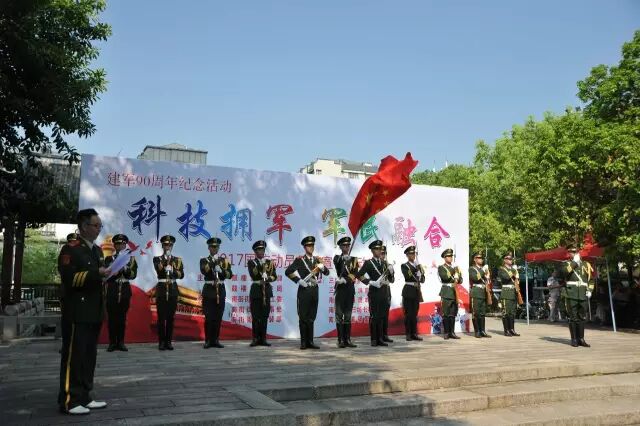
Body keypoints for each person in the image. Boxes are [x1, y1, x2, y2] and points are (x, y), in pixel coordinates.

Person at [57, 209, 108, 415]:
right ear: (84, 227)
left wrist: (107, 273)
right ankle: (69, 400)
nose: (98, 229)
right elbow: (69, 278)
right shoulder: (71, 249)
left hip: (94, 310)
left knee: (89, 356)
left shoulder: (97, 251)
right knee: (74, 356)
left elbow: (98, 277)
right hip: (77, 311)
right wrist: (96, 273)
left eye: (100, 226)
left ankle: (85, 396)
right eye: (96, 225)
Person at [285, 236, 329, 350]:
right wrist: (298, 280)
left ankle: (310, 341)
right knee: (303, 316)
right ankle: (304, 342)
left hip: (314, 290)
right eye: (308, 246)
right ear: (304, 247)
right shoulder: (300, 260)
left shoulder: (317, 260)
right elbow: (288, 271)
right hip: (304, 290)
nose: (311, 247)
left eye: (312, 245)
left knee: (312, 316)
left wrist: (322, 267)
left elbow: (327, 273)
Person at [104, 234, 138, 352]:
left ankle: (121, 342)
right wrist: (116, 270)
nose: (120, 246)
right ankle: (112, 342)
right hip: (113, 289)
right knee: (112, 318)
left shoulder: (131, 259)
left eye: (122, 244)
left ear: (125, 245)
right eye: (118, 244)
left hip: (124, 289)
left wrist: (125, 269)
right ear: (114, 245)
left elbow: (133, 275)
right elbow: (107, 276)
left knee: (122, 318)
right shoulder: (109, 259)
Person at [357, 240, 393, 346]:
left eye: (380, 249)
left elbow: (391, 279)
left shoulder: (384, 263)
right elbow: (359, 275)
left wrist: (391, 272)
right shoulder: (369, 263)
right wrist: (370, 282)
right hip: (374, 292)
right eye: (376, 249)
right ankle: (374, 339)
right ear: (372, 251)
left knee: (382, 316)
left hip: (384, 292)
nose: (379, 251)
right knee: (374, 316)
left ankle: (380, 338)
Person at [199, 237, 232, 349]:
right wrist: (213, 262)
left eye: (216, 247)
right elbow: (204, 270)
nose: (215, 249)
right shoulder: (204, 260)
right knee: (209, 317)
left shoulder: (224, 261)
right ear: (209, 248)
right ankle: (208, 340)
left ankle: (216, 340)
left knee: (218, 317)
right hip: (209, 290)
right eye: (212, 247)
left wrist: (221, 270)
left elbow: (230, 275)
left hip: (220, 290)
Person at [153, 235, 184, 351]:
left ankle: (169, 341)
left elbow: (181, 274)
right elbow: (159, 270)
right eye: (166, 245)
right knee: (161, 318)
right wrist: (166, 262)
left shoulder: (177, 260)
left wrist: (173, 271)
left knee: (171, 318)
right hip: (162, 289)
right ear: (162, 246)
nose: (168, 247)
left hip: (172, 289)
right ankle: (161, 342)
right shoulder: (157, 259)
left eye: (170, 245)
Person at [560, 245, 594, 347]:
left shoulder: (586, 264)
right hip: (571, 293)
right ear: (569, 253)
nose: (574, 254)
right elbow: (564, 273)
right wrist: (574, 263)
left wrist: (590, 290)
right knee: (573, 317)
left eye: (575, 252)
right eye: (572, 252)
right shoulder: (566, 264)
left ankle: (581, 339)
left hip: (583, 293)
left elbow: (591, 280)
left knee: (582, 317)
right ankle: (574, 339)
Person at [247, 240, 277, 347]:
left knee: (264, 316)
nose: (261, 252)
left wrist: (267, 278)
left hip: (266, 291)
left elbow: (274, 276)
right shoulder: (252, 262)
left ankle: (263, 339)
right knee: (256, 316)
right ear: (255, 252)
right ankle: (255, 338)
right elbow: (253, 274)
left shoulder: (269, 262)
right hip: (256, 290)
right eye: (259, 250)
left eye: (262, 250)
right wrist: (261, 266)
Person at [332, 236, 359, 348]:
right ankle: (340, 340)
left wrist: (346, 279)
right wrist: (344, 260)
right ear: (340, 247)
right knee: (339, 315)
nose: (346, 247)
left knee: (348, 315)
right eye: (344, 245)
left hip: (349, 289)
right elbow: (338, 265)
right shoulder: (337, 258)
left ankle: (347, 339)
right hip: (340, 290)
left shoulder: (354, 260)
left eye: (348, 245)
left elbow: (355, 273)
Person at [400, 246, 424, 341]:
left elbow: (423, 280)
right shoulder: (404, 266)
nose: (413, 255)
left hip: (416, 291)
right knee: (408, 314)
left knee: (414, 313)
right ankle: (408, 334)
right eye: (410, 254)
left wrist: (420, 274)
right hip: (408, 290)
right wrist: (417, 269)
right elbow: (408, 275)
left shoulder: (418, 266)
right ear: (407, 255)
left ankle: (414, 333)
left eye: (414, 253)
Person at [437, 248, 462, 339]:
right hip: (446, 292)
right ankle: (446, 332)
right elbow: (445, 277)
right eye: (448, 256)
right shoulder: (441, 267)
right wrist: (454, 271)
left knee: (453, 314)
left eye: (451, 256)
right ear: (444, 257)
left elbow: (460, 281)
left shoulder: (454, 268)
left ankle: (452, 332)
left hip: (454, 292)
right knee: (446, 313)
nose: (450, 258)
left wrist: (458, 274)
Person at [497, 252, 521, 336]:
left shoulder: (512, 270)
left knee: (512, 313)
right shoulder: (501, 269)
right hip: (506, 293)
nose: (511, 260)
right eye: (509, 259)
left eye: (511, 259)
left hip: (513, 292)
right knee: (506, 312)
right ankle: (506, 330)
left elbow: (516, 281)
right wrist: (513, 270)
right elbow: (506, 277)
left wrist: (517, 275)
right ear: (505, 260)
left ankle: (512, 329)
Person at [468, 251, 491, 338]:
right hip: (476, 292)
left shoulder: (483, 269)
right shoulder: (472, 269)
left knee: (482, 313)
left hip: (483, 292)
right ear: (474, 259)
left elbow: (487, 281)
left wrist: (488, 276)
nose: (481, 259)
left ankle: (482, 331)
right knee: (476, 313)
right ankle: (477, 331)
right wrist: (483, 271)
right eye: (479, 258)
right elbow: (475, 278)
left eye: (482, 258)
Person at [380, 245, 395, 343]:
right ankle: (379, 335)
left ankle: (385, 335)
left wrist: (391, 272)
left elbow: (392, 280)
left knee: (385, 314)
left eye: (384, 253)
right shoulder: (376, 264)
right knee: (379, 314)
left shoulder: (388, 265)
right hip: (378, 289)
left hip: (386, 289)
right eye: (381, 253)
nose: (383, 255)